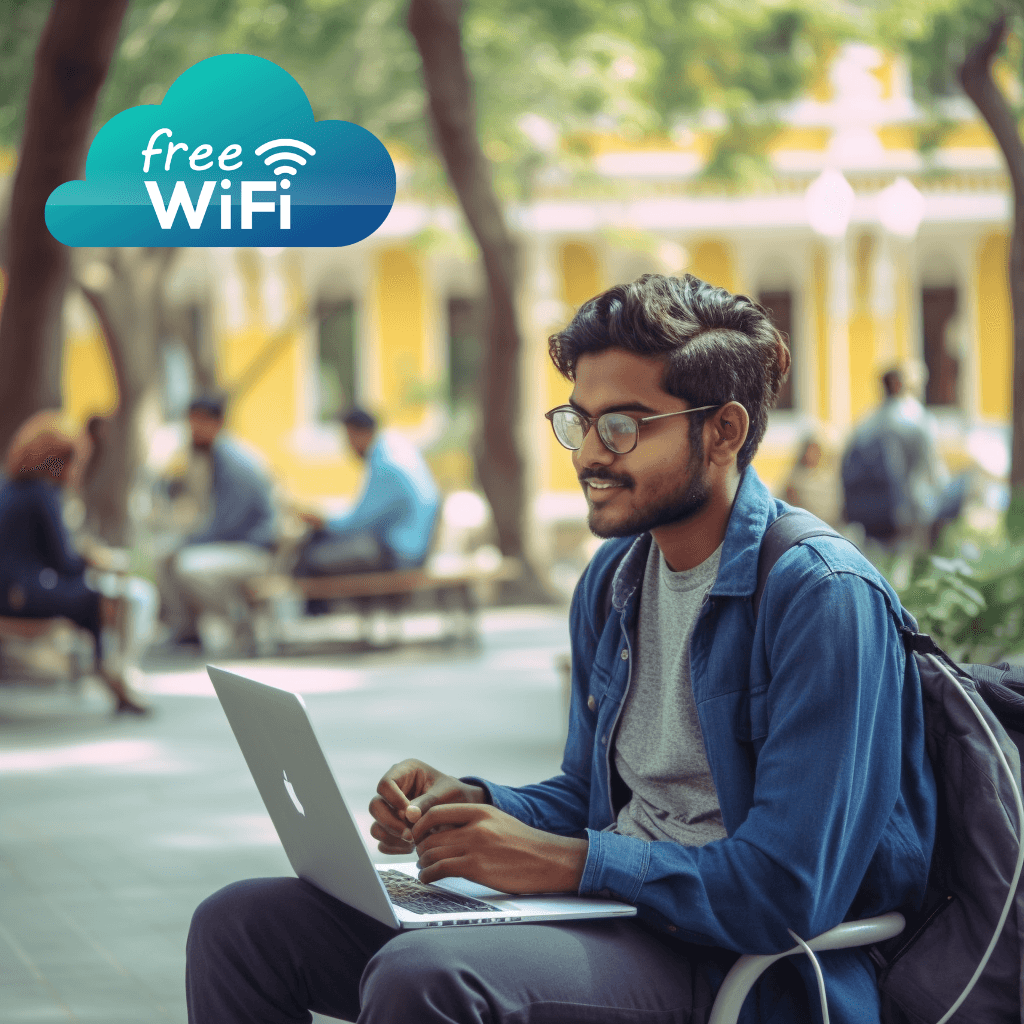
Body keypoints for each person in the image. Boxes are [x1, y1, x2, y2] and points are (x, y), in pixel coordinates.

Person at [185, 275, 936, 1024]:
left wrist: (564, 863)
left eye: (625, 425)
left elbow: (786, 891)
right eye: (580, 423)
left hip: (742, 966)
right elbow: (590, 797)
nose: (588, 456)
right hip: (611, 915)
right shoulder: (616, 577)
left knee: (426, 978)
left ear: (724, 432)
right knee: (241, 927)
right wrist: (477, 807)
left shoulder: (822, 596)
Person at [0, 411, 149, 714]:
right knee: (95, 597)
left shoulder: (11, 489)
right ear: (58, 460)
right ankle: (110, 671)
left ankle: (110, 672)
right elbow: (64, 562)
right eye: (72, 461)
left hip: (10, 591)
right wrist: (94, 558)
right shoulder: (42, 493)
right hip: (21, 595)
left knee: (89, 593)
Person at [156, 394, 277, 650]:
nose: (193, 430)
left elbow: (227, 525)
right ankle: (187, 632)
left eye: (200, 423)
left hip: (254, 550)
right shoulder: (213, 456)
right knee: (165, 557)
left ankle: (241, 625)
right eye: (190, 422)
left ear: (218, 424)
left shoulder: (235, 463)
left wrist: (188, 542)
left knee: (188, 567)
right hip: (234, 545)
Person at [291, 407, 440, 580]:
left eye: (349, 438)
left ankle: (311, 607)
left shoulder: (386, 464)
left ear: (360, 433)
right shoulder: (396, 448)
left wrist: (323, 522)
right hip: (411, 547)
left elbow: (358, 523)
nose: (348, 446)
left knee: (311, 559)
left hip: (400, 555)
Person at [841, 364, 968, 549]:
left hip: (867, 515)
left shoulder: (864, 424)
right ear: (900, 386)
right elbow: (935, 472)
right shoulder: (916, 419)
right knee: (966, 482)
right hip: (907, 513)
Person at [781, 430, 843, 528]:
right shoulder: (794, 480)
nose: (813, 455)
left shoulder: (827, 478)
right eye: (811, 450)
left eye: (816, 451)